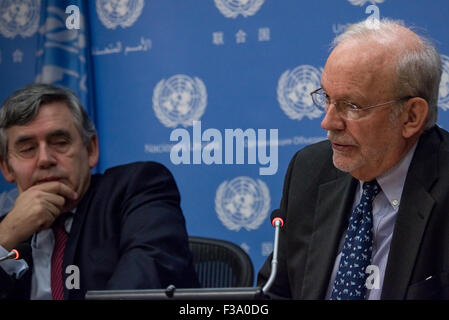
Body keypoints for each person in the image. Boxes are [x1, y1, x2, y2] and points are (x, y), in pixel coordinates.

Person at [258, 19, 449, 300]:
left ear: (411, 117)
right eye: (327, 98)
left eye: (352, 106)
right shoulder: (310, 170)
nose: (328, 122)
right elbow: (275, 292)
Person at [0, 83, 199, 299]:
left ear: (91, 149)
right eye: (28, 149)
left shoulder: (139, 189)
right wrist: (6, 235)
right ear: (7, 167)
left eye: (60, 143)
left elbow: (144, 280)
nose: (45, 159)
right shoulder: (8, 231)